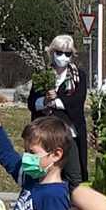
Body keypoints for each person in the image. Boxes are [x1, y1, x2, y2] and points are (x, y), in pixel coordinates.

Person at [27, 33, 88, 187]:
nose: (63, 57)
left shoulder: (79, 76)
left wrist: (56, 101)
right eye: (59, 53)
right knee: (42, 175)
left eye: (67, 54)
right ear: (52, 53)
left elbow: (77, 102)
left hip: (69, 133)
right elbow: (32, 103)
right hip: (45, 133)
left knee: (74, 176)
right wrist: (45, 101)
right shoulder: (42, 75)